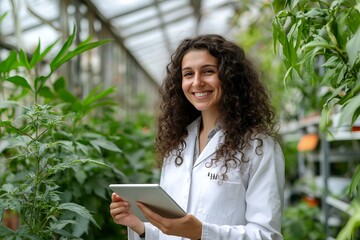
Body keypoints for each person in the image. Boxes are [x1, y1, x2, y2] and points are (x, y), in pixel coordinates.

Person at [110, 34, 285, 240]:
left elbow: (266, 235)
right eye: (188, 74)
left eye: (208, 71)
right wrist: (140, 227)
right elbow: (170, 231)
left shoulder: (258, 146)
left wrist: (201, 232)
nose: (197, 82)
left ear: (229, 76)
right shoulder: (178, 142)